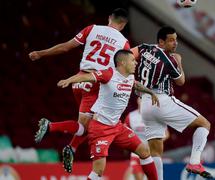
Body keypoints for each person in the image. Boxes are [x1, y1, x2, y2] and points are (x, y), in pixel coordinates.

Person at [30, 8, 130, 173]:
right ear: (124, 24)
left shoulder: (92, 29)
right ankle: (51, 127)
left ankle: (71, 148)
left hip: (79, 81)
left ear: (110, 17)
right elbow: (124, 68)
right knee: (88, 128)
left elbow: (66, 47)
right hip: (95, 84)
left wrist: (41, 53)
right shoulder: (124, 42)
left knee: (86, 126)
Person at [56, 50, 158, 180]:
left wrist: (150, 92)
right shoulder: (109, 74)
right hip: (100, 128)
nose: (136, 63)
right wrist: (69, 80)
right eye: (133, 60)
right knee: (98, 171)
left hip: (117, 126)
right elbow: (87, 76)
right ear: (122, 62)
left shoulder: (130, 77)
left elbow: (135, 85)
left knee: (144, 151)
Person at [131, 26, 213, 179]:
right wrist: (179, 61)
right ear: (161, 42)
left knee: (155, 151)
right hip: (161, 100)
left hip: (145, 105)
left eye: (176, 39)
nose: (175, 43)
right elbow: (181, 81)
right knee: (204, 124)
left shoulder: (144, 48)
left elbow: (128, 55)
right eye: (171, 40)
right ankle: (194, 162)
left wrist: (132, 77)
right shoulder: (169, 61)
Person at [123, 98, 169, 180]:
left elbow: (166, 134)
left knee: (152, 177)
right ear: (137, 100)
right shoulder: (130, 116)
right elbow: (124, 133)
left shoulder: (155, 116)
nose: (142, 100)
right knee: (139, 178)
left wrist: (153, 142)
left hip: (152, 152)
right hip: (137, 152)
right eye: (141, 98)